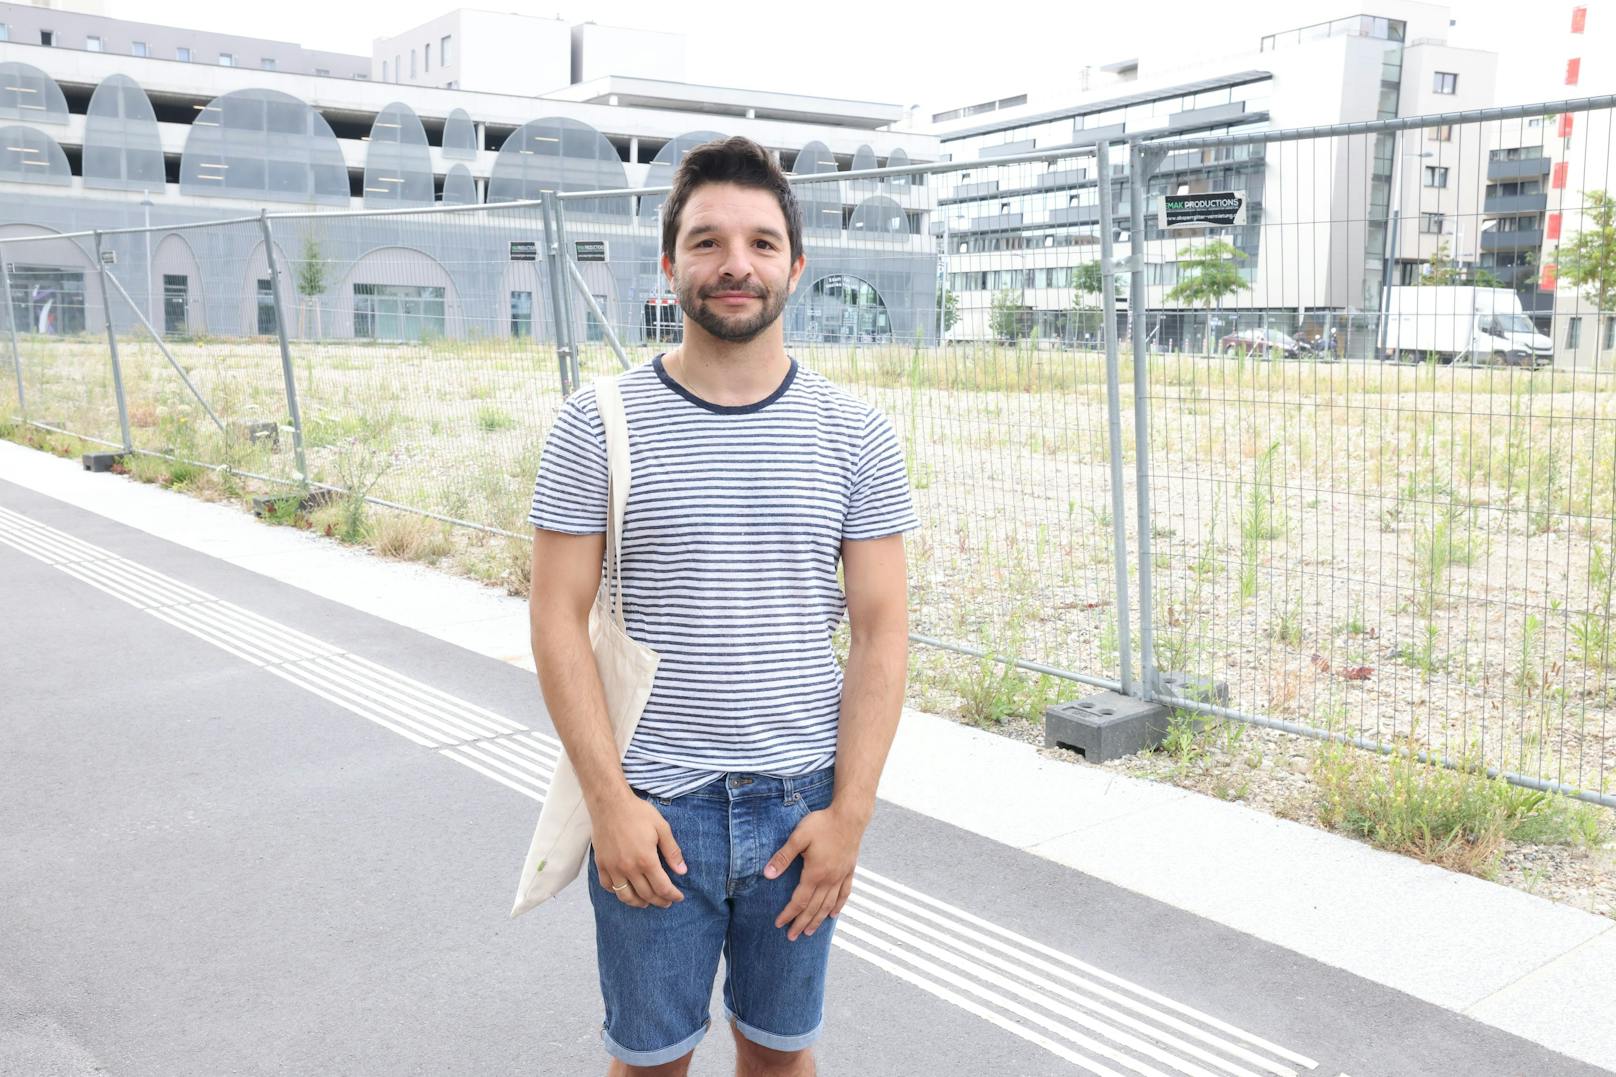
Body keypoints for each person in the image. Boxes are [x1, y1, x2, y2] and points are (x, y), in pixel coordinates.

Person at [527, 135, 918, 1077]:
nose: (734, 263)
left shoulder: (856, 434)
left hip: (800, 810)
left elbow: (881, 631)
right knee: (652, 1061)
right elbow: (554, 618)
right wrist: (608, 802)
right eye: (706, 242)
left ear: (796, 264)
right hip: (655, 811)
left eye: (760, 242)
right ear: (669, 264)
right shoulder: (599, 422)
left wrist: (849, 817)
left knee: (782, 1055)